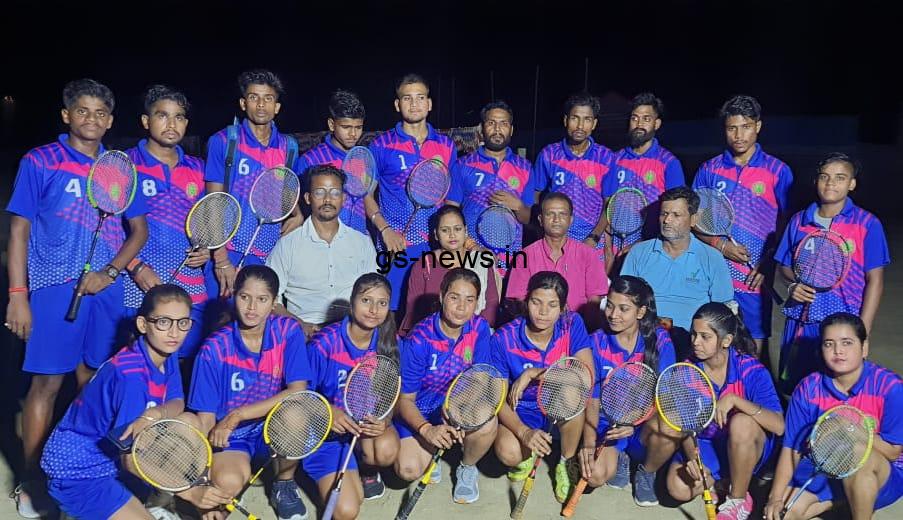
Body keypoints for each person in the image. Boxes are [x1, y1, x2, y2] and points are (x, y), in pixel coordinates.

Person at [5, 78, 149, 518]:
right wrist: (17, 295)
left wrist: (110, 273)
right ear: (66, 115)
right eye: (83, 111)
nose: (92, 119)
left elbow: (138, 231)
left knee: (95, 384)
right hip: (53, 288)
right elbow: (18, 231)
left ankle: (89, 472)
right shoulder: (40, 161)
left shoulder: (119, 168)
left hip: (106, 293)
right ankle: (33, 481)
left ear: (111, 120)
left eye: (101, 113)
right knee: (46, 385)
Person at [40, 285, 230, 519]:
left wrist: (154, 414)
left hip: (113, 458)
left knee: (190, 421)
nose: (174, 332)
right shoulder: (131, 377)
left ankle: (153, 498)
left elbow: (177, 401)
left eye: (183, 323)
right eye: (163, 322)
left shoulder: (164, 351)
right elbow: (130, 459)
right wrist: (190, 492)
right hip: (79, 471)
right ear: (143, 324)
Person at [188, 266, 312, 520]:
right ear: (234, 295)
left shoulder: (287, 331)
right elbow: (206, 418)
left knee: (296, 414)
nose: (252, 307)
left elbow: (297, 390)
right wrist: (204, 478)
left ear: (274, 303)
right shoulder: (213, 349)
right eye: (245, 297)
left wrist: (238, 414)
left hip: (271, 427)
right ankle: (234, 472)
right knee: (227, 485)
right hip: (232, 437)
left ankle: (284, 483)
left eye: (262, 299)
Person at [764, 313, 903, 520]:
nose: (838, 351)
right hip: (823, 466)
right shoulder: (808, 388)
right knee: (782, 514)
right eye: (829, 344)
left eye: (847, 343)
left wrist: (851, 429)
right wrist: (774, 497)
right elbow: (791, 448)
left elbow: (892, 452)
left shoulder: (890, 387)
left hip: (881, 474)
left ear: (864, 347)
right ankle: (841, 500)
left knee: (856, 452)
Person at [773, 153, 889, 392]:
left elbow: (875, 281)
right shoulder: (799, 221)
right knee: (798, 389)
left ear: (852, 184)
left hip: (843, 324)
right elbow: (784, 265)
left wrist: (862, 333)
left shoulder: (867, 224)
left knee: (837, 390)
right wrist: (793, 285)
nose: (831, 183)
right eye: (825, 177)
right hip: (801, 320)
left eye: (840, 178)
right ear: (816, 181)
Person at [692, 95, 794, 355]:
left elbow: (788, 227)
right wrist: (720, 245)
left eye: (746, 127)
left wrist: (768, 263)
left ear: (758, 126)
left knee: (753, 346)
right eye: (732, 128)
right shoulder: (709, 170)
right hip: (713, 273)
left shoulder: (778, 171)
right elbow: (693, 220)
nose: (738, 135)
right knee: (711, 340)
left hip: (754, 277)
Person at [663, 303, 784, 520]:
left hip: (746, 444)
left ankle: (737, 499)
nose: (695, 342)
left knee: (741, 423)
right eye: (694, 334)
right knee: (677, 488)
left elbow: (779, 426)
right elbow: (685, 426)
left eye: (705, 337)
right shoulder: (687, 370)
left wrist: (736, 401)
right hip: (709, 443)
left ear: (726, 341)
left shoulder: (751, 370)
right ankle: (723, 481)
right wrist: (694, 459)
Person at [491, 271, 594, 504]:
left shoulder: (572, 324)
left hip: (560, 406)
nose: (543, 312)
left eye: (552, 305)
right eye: (536, 302)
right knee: (509, 453)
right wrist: (523, 432)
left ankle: (565, 461)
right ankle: (527, 451)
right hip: (522, 409)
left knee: (572, 389)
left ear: (563, 308)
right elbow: (497, 397)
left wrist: (533, 373)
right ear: (526, 301)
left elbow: (586, 377)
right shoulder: (503, 338)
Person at [123, 85, 210, 359]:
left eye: (179, 117)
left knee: (186, 361)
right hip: (139, 284)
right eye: (162, 115)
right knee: (140, 362)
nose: (172, 124)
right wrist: (135, 267)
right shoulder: (125, 164)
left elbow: (206, 221)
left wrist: (206, 250)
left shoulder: (199, 168)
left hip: (190, 284)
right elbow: (111, 230)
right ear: (146, 121)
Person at [304, 273, 401, 519]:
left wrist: (384, 421)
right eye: (366, 300)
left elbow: (391, 392)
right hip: (326, 437)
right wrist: (328, 411)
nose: (373, 310)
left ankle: (366, 468)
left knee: (386, 449)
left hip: (360, 431)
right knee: (347, 511)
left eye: (382, 303)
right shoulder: (323, 344)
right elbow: (300, 397)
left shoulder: (389, 342)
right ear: (352, 301)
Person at [395, 268, 495, 504]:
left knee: (487, 418)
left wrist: (456, 410)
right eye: (454, 297)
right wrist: (427, 430)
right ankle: (431, 448)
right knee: (408, 469)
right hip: (420, 409)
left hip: (454, 404)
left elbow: (481, 378)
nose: (461, 307)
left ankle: (467, 467)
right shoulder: (419, 339)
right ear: (441, 297)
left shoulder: (479, 328)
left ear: (477, 302)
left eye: (469, 299)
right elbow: (405, 400)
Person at [203, 69, 300, 299]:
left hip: (270, 252)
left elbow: (286, 193)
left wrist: (298, 215)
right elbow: (213, 202)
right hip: (230, 250)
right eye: (254, 97)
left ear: (277, 106)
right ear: (243, 103)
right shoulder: (224, 141)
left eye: (268, 98)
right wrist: (220, 258)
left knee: (261, 317)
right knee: (223, 317)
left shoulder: (289, 147)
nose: (261, 104)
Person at [578, 275, 676, 497]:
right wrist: (589, 443)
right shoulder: (596, 342)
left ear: (640, 312)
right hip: (608, 424)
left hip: (644, 423)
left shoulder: (660, 340)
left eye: (624, 309)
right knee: (594, 475)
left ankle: (647, 471)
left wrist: (637, 420)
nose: (613, 315)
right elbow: (592, 399)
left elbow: (665, 394)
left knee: (671, 424)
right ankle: (621, 456)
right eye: (610, 306)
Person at [367, 73, 458, 310]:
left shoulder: (446, 145)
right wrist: (385, 231)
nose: (414, 104)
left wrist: (449, 241)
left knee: (432, 310)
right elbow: (366, 195)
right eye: (407, 98)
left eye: (420, 97)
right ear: (398, 105)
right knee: (392, 312)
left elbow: (452, 199)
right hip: (396, 245)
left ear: (429, 103)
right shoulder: (381, 145)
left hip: (435, 246)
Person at [267, 164, 377, 336]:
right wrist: (299, 325)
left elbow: (374, 292)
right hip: (304, 333)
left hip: (351, 330)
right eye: (319, 192)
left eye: (335, 193)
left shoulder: (361, 242)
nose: (327, 200)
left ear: (343, 198)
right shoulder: (287, 245)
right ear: (308, 198)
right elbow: (271, 298)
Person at [620, 186, 734, 348]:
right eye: (664, 214)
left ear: (694, 219)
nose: (667, 220)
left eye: (676, 215)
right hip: (644, 340)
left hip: (693, 344)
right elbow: (623, 301)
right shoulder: (639, 253)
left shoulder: (712, 258)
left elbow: (722, 313)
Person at [447, 100, 535, 271]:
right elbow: (450, 214)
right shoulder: (463, 164)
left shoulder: (525, 167)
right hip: (472, 256)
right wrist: (471, 245)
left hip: (510, 259)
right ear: (482, 129)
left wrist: (518, 206)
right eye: (491, 123)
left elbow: (528, 218)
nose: (497, 129)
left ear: (511, 129)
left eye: (503, 123)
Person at [505, 193, 608, 330]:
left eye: (562, 214)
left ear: (571, 220)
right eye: (550, 214)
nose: (556, 219)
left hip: (578, 330)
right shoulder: (524, 256)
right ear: (540, 220)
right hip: (536, 329)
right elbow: (519, 300)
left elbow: (594, 301)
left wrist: (578, 332)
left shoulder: (588, 254)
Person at [603, 93, 685, 266]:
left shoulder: (669, 163)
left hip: (654, 250)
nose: (639, 124)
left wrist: (642, 244)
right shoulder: (615, 160)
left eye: (646, 119)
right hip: (617, 251)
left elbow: (678, 215)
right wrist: (608, 250)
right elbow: (606, 206)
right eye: (635, 118)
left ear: (657, 123)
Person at [533, 92, 616, 258]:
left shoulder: (606, 157)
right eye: (575, 118)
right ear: (565, 120)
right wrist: (543, 230)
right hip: (556, 241)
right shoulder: (549, 154)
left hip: (592, 242)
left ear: (594, 124)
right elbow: (535, 197)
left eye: (587, 119)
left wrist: (594, 237)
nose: (580, 125)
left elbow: (610, 204)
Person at [399, 205, 501, 335]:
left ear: (465, 231)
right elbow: (413, 310)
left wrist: (469, 334)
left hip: (474, 334)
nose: (452, 235)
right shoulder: (424, 264)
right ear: (436, 234)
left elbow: (491, 306)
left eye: (457, 229)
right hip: (431, 335)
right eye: (445, 230)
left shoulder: (481, 262)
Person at [296, 89, 370, 234]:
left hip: (359, 237)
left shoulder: (363, 157)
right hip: (322, 239)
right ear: (331, 124)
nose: (353, 134)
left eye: (358, 127)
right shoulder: (310, 160)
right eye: (346, 127)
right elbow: (298, 201)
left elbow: (367, 199)